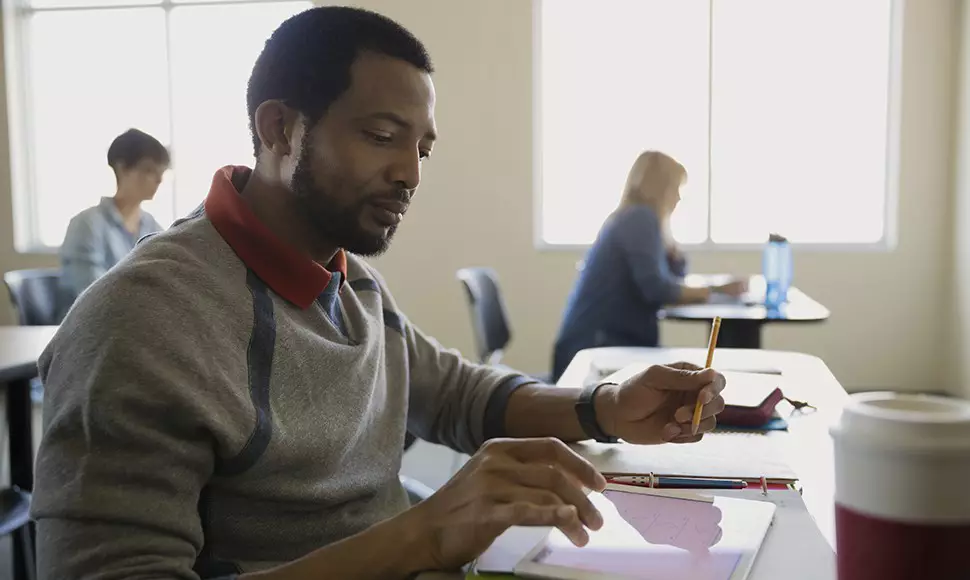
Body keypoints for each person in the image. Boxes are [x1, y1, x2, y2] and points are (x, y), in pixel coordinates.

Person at [33, 8, 727, 579]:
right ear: (279, 130)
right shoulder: (141, 323)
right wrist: (422, 538)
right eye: (381, 136)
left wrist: (605, 406)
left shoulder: (350, 278)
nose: (410, 174)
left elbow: (456, 396)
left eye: (420, 149)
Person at [551, 151, 746, 381]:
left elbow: (672, 277)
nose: (679, 198)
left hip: (602, 344)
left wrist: (672, 248)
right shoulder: (639, 219)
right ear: (659, 188)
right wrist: (716, 290)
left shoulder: (635, 219)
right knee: (691, 376)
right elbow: (658, 289)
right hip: (595, 351)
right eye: (675, 188)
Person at [57, 128, 169, 318]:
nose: (158, 180)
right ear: (122, 168)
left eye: (162, 172)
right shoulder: (87, 224)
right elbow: (92, 295)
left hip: (133, 325)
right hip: (87, 328)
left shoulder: (152, 227)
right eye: (149, 170)